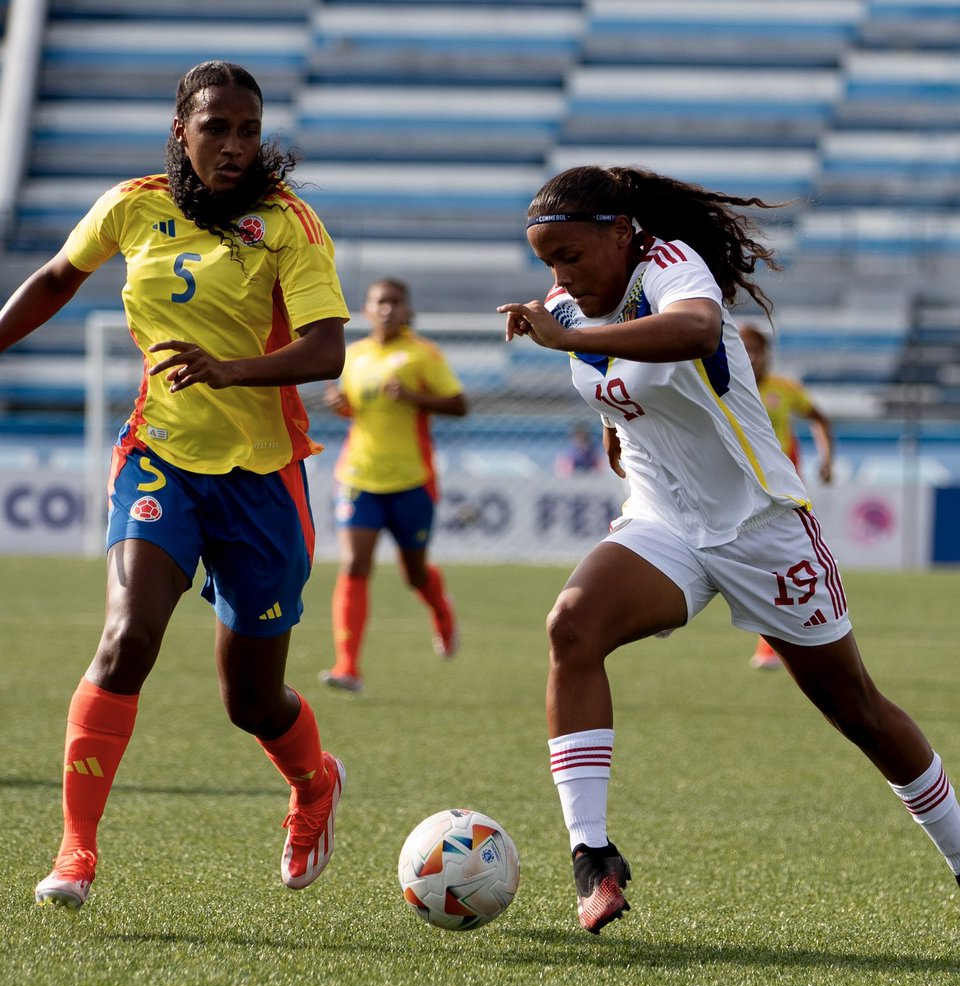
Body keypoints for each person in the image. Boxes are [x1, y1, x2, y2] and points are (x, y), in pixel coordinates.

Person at [498, 164, 960, 934]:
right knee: (570, 626)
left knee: (859, 712)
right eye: (548, 262)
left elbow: (695, 333)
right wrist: (619, 428)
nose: (561, 276)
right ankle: (593, 856)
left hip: (760, 529)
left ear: (621, 234)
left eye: (572, 255)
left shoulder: (672, 267)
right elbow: (620, 380)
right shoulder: (567, 308)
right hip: (663, 524)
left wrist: (576, 337)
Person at [0, 61, 351, 910]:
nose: (234, 146)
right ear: (180, 131)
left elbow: (327, 350)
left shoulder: (290, 226)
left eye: (247, 129)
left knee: (252, 701)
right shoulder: (133, 204)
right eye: (216, 128)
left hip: (264, 481)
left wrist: (230, 371)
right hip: (158, 458)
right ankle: (76, 851)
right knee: (127, 639)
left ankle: (314, 784)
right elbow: (56, 278)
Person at [320, 278, 467, 694]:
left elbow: (459, 404)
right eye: (379, 302)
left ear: (406, 309)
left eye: (395, 302)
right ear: (366, 310)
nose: (387, 308)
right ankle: (347, 666)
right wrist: (341, 406)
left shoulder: (423, 355)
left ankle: (442, 611)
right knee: (353, 565)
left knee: (415, 573)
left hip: (411, 481)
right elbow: (356, 410)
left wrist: (414, 397)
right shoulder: (352, 357)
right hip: (359, 477)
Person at [740, 322, 835, 670]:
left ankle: (773, 646)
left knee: (778, 568)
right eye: (744, 349)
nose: (750, 357)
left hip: (779, 495)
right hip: (735, 490)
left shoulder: (784, 389)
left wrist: (826, 460)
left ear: (767, 355)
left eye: (756, 350)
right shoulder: (723, 385)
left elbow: (820, 419)